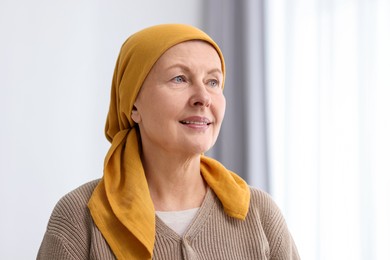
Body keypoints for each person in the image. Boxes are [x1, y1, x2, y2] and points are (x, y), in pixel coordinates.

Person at [37, 24, 300, 260]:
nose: (203, 97)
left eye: (212, 81)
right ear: (133, 105)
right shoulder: (79, 217)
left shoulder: (260, 213)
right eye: (179, 79)